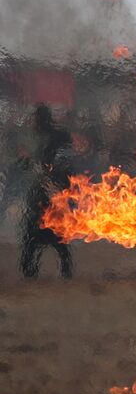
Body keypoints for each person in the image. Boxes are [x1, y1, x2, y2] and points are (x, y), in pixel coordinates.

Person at [19, 105, 75, 279]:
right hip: (43, 190)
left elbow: (64, 162)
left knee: (52, 231)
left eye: (35, 118)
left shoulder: (58, 137)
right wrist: (27, 161)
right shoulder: (40, 138)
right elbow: (28, 165)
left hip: (54, 191)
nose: (33, 122)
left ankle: (60, 270)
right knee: (37, 232)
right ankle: (31, 269)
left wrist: (52, 179)